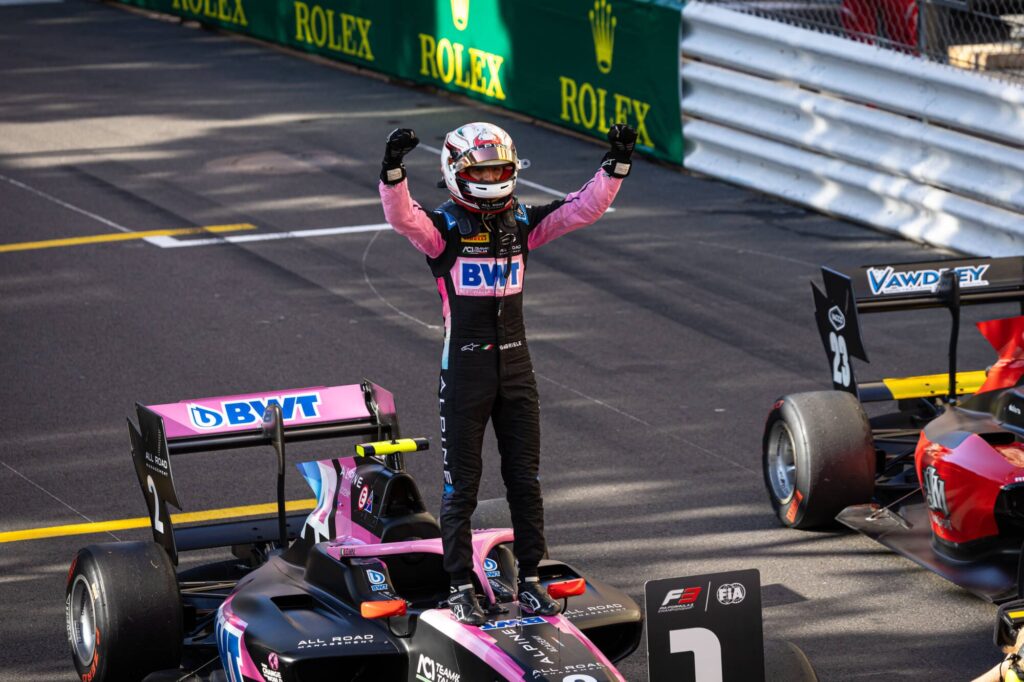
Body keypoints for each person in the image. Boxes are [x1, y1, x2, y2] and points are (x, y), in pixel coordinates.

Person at [377, 120, 636, 624]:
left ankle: (533, 578)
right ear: (457, 172)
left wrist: (617, 163)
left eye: (500, 168)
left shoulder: (521, 221)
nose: (493, 177)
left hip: (517, 371)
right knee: (462, 486)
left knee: (525, 479)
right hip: (465, 374)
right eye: (483, 169)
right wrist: (392, 172)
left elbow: (583, 207)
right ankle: (457, 584)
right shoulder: (443, 231)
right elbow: (403, 219)